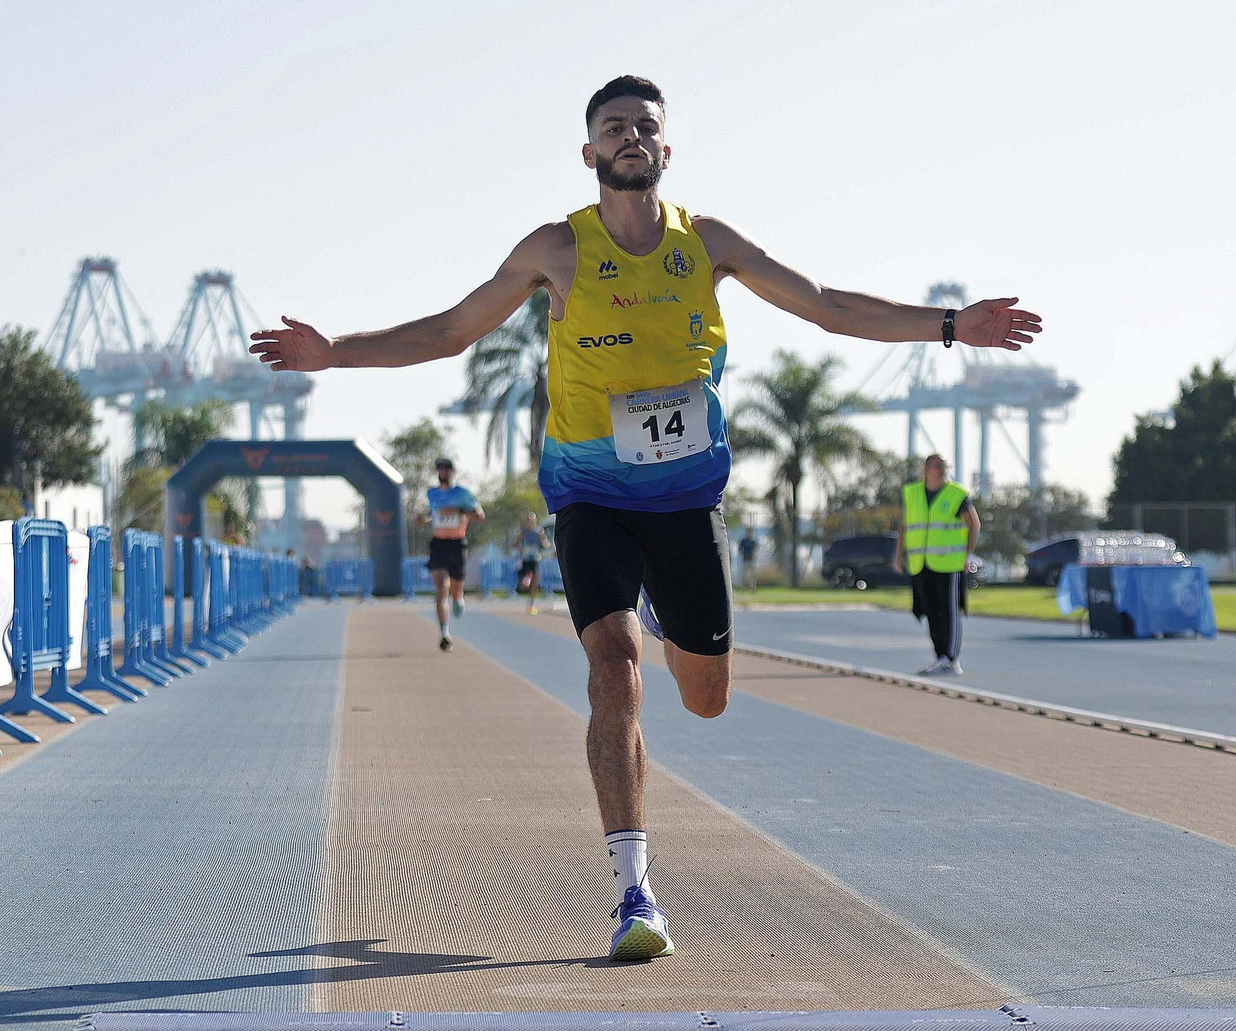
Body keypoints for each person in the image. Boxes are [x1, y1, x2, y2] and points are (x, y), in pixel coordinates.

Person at [249, 74, 1041, 960]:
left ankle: (669, 612)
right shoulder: (556, 250)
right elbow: (449, 332)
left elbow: (825, 304)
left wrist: (948, 325)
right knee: (614, 669)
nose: (630, 136)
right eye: (612, 127)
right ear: (588, 154)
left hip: (686, 498)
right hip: (589, 495)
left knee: (704, 698)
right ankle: (634, 891)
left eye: (644, 127)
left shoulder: (708, 244)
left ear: (666, 150)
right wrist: (336, 354)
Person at [892, 454, 980, 675]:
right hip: (921, 563)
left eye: (943, 467)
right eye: (936, 467)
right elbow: (904, 526)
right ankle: (940, 656)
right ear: (926, 469)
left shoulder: (956, 494)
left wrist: (967, 555)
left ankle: (951, 658)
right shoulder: (912, 494)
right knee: (930, 611)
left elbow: (974, 524)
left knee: (948, 611)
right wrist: (898, 555)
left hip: (949, 564)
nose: (941, 471)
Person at [416, 457, 484, 651]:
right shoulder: (432, 493)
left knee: (455, 590)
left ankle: (458, 597)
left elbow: (480, 515)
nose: (443, 472)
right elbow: (433, 513)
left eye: (446, 469)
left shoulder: (463, 493)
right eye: (440, 468)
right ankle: (445, 633)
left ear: (452, 472)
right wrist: (425, 519)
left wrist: (458, 510)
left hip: (457, 544)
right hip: (438, 544)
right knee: (441, 588)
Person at [512, 510, 552, 615]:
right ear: (526, 521)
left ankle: (531, 604)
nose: (530, 522)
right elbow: (515, 544)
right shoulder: (523, 533)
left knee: (535, 582)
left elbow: (546, 545)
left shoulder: (539, 531)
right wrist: (519, 546)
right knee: (523, 585)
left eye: (532, 520)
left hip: (535, 559)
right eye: (529, 520)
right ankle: (524, 585)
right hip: (525, 560)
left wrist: (542, 539)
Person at [738, 527, 760, 591]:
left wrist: (754, 554)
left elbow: (756, 549)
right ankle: (743, 587)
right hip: (745, 560)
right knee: (744, 575)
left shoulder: (753, 541)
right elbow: (740, 549)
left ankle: (753, 588)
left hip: (752, 560)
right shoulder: (744, 541)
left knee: (752, 575)